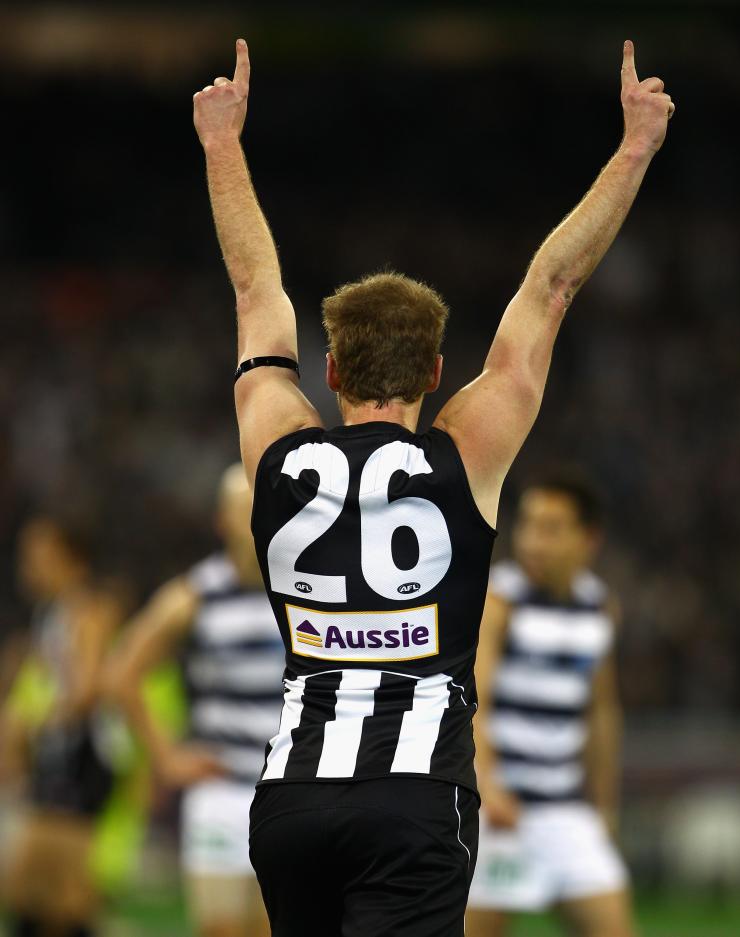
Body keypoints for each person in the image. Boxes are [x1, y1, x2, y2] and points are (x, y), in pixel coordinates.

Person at [191, 37, 673, 937]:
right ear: (440, 371)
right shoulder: (466, 453)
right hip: (415, 795)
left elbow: (257, 286)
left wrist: (223, 145)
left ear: (328, 369)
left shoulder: (279, 446)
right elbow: (552, 287)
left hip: (291, 793)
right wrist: (634, 147)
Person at [106, 464, 283, 937]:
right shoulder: (196, 595)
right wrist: (167, 759)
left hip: (289, 791)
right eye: (244, 511)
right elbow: (122, 673)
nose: (257, 523)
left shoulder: (305, 590)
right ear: (221, 521)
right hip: (222, 790)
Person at [466, 472, 634, 937]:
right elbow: (472, 696)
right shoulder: (501, 598)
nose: (534, 541)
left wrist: (605, 806)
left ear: (588, 539)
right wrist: (488, 782)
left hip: (563, 809)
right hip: (499, 810)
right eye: (529, 526)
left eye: (552, 528)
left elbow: (601, 711)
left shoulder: (599, 607)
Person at [1, 513, 122, 937]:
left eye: (39, 555)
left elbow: (86, 691)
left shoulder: (88, 611)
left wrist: (32, 724)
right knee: (41, 894)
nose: (29, 566)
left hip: (82, 759)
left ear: (71, 559)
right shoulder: (50, 614)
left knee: (54, 889)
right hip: (58, 760)